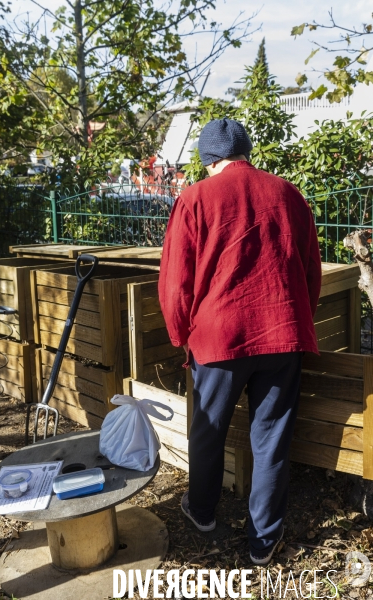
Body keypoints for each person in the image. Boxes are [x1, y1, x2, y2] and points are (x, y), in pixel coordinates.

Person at [158, 118, 321, 565]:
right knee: (271, 439)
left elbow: (176, 284)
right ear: (246, 153)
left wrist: (180, 335)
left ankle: (203, 512)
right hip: (282, 333)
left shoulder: (193, 199)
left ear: (208, 160)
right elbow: (310, 269)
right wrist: (296, 318)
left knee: (208, 430)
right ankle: (263, 542)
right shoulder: (288, 194)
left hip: (218, 339)